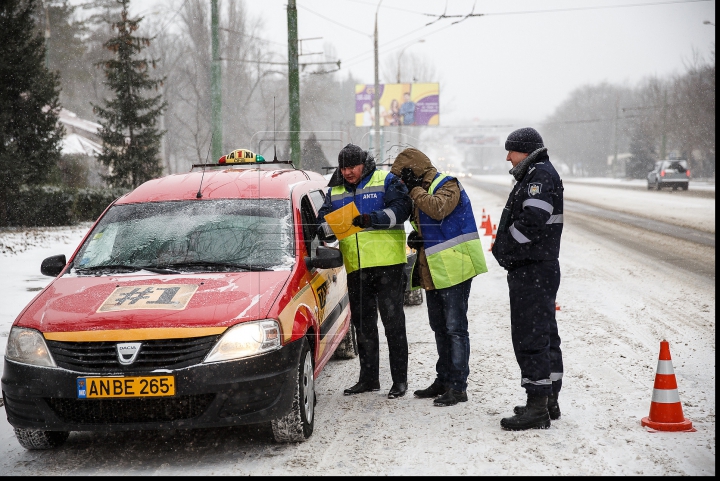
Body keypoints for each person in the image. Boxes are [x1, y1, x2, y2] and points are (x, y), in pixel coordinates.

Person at [390, 148, 488, 406]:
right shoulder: (419, 189)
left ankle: (458, 386)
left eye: (403, 176)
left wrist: (414, 190)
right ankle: (443, 379)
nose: (401, 182)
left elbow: (439, 208)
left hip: (455, 268)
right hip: (432, 269)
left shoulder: (447, 184)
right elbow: (429, 222)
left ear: (415, 171)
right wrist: (418, 236)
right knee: (440, 328)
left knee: (455, 329)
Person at [317, 144, 413, 399]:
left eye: (353, 167)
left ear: (364, 164)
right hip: (357, 268)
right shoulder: (334, 189)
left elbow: (403, 209)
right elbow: (322, 218)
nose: (348, 172)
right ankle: (369, 379)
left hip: (387, 265)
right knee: (364, 326)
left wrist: (373, 218)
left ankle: (399, 381)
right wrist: (323, 227)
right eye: (344, 167)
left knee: (393, 325)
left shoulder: (386, 180)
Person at [491, 127, 565, 431]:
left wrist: (505, 246)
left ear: (525, 150)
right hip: (536, 266)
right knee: (543, 333)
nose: (508, 157)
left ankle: (537, 407)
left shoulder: (539, 177)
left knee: (531, 336)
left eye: (511, 151)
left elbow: (531, 222)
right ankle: (547, 399)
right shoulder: (537, 174)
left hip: (532, 267)